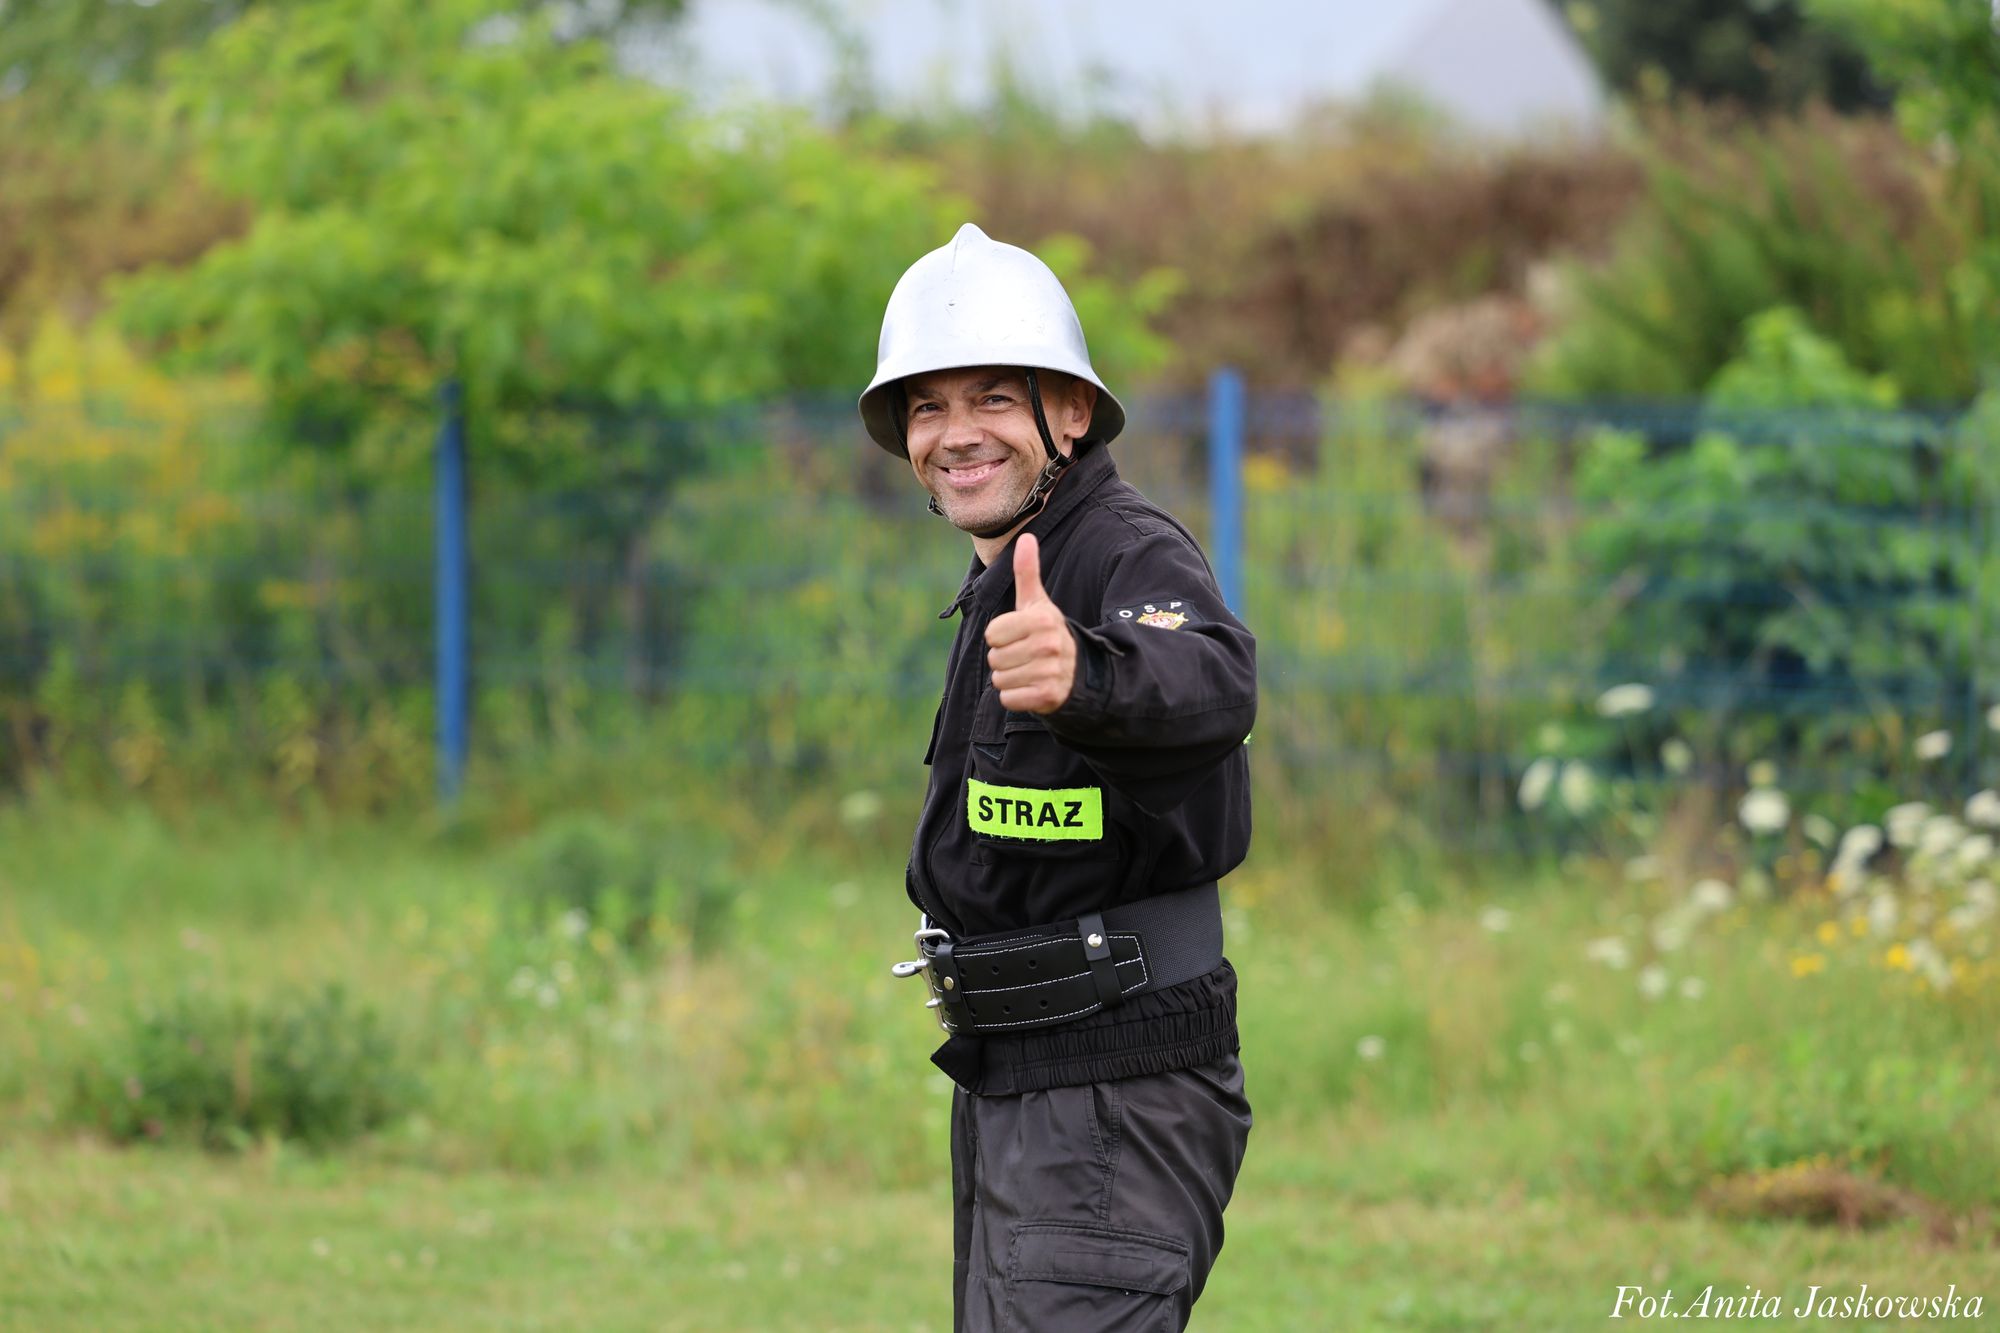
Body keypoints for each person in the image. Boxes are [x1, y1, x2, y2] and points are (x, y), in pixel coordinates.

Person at [859, 222, 1257, 1332]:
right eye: (927, 407)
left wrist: (1088, 674)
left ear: (1068, 413)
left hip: (1110, 1100)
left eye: (992, 398)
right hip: (1022, 1084)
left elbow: (1210, 679)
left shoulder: (1122, 552)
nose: (953, 435)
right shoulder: (1001, 572)